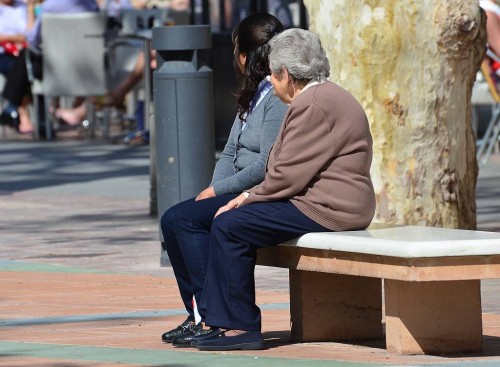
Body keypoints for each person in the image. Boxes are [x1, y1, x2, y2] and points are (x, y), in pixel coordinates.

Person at [192, 28, 376, 351]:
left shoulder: (314, 105)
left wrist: (247, 197)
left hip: (328, 208)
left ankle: (240, 326)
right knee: (228, 221)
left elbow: (286, 175)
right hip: (325, 203)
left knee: (230, 225)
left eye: (273, 78)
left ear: (287, 75)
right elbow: (285, 166)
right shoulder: (323, 97)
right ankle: (222, 320)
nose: (272, 86)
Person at [159, 12, 287, 347]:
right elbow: (230, 152)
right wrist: (212, 193)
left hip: (259, 194)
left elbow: (264, 166)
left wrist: (218, 191)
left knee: (184, 220)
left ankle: (213, 316)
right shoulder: (254, 95)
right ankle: (200, 313)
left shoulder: (276, 98)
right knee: (174, 219)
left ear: (244, 56)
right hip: (236, 190)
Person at [0, 0, 99, 134]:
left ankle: (15, 108)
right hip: (88, 66)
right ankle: (49, 113)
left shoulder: (50, 6)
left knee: (27, 60)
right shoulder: (91, 4)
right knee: (24, 62)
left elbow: (32, 40)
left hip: (54, 67)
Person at [0, 0, 31, 76]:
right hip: (3, 54)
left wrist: (31, 8)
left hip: (24, 51)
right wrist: (19, 38)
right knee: (17, 69)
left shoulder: (23, 6)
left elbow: (31, 33)